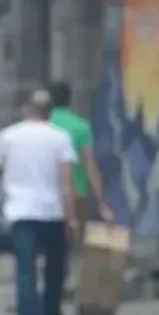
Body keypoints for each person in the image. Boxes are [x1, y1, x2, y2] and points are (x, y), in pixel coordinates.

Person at [0, 89, 78, 315]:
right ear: (49, 112)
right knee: (55, 273)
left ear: (27, 109)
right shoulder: (61, 138)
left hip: (21, 213)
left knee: (26, 271)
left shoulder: (8, 137)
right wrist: (71, 217)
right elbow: (67, 183)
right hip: (53, 212)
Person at [48, 81, 113, 227]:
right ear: (69, 100)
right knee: (76, 244)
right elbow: (90, 167)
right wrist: (102, 203)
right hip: (76, 195)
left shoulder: (41, 126)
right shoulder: (80, 126)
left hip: (46, 195)